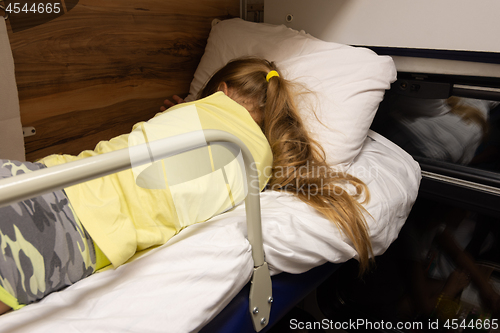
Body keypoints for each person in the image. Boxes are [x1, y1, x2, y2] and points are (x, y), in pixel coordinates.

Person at [0, 57, 372, 314]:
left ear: (221, 89)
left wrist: (175, 112)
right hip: (83, 236)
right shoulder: (259, 164)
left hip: (51, 177)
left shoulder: (194, 111)